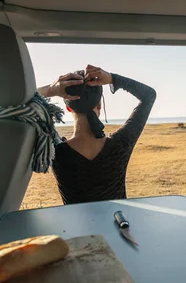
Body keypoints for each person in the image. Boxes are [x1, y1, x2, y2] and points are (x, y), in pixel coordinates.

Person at [37, 64, 156, 204]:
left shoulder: (55, 150)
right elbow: (149, 95)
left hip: (73, 227)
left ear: (68, 108)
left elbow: (20, 102)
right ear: (99, 104)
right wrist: (112, 78)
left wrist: (51, 90)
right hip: (117, 224)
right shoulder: (121, 144)